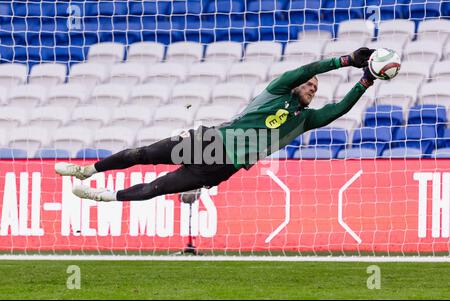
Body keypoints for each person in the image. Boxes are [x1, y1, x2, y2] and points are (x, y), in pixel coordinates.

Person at [55, 47, 376, 202]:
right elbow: (310, 66)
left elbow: (339, 108)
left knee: (158, 188)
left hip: (221, 167)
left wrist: (366, 79)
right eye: (309, 85)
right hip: (209, 141)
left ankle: (105, 196)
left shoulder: (304, 120)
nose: (312, 89)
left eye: (315, 89)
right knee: (143, 153)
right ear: (297, 85)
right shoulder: (279, 89)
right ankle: (89, 170)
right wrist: (345, 61)